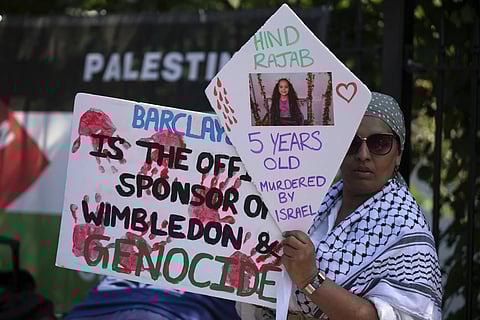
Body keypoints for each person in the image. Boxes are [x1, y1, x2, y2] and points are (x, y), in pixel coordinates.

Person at [237, 92, 442, 319]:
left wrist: (309, 278)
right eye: (351, 143)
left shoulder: (405, 226)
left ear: (398, 155)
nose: (363, 155)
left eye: (379, 144)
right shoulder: (311, 202)